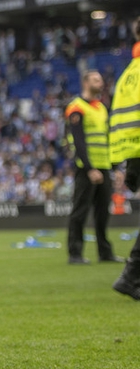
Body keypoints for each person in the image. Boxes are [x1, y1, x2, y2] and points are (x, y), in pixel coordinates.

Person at [64, 70, 122, 265]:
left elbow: (108, 138)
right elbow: (78, 141)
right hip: (86, 168)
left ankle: (105, 252)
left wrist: (115, 167)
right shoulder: (76, 107)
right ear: (85, 82)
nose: (101, 82)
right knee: (80, 211)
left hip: (104, 166)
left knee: (103, 212)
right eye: (96, 79)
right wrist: (90, 168)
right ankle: (75, 253)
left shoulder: (102, 108)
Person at [108, 17, 140, 297]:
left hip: (133, 153)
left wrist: (128, 163)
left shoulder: (128, 73)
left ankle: (130, 278)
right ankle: (130, 277)